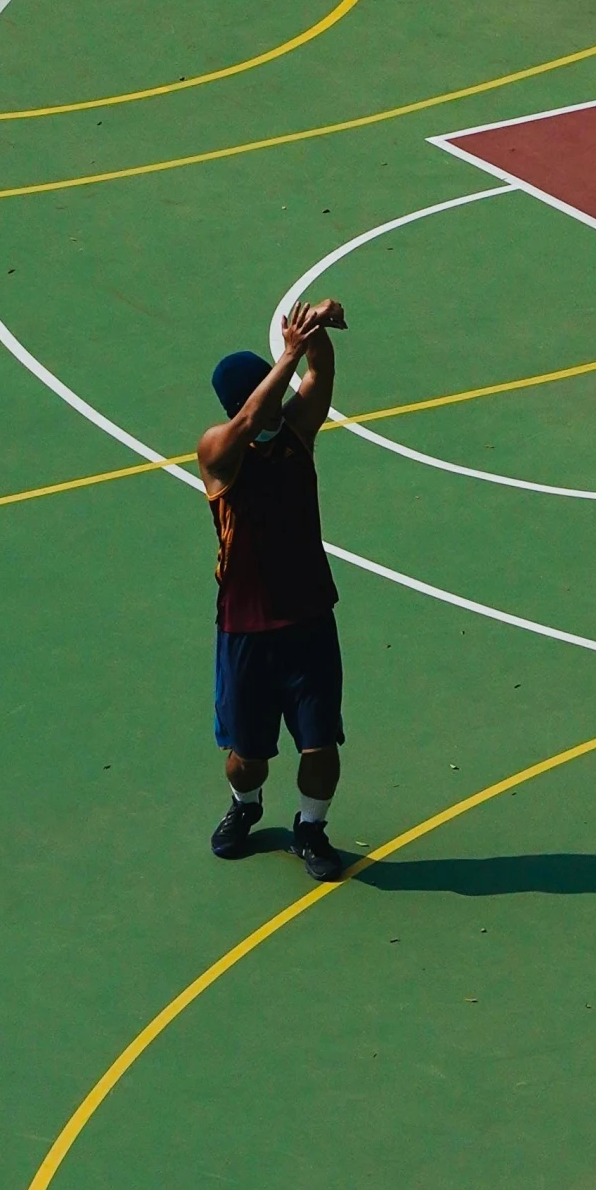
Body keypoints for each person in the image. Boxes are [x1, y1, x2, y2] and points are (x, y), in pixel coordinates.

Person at [197, 297, 348, 880]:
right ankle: (246, 805)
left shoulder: (296, 433)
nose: (280, 399)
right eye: (266, 387)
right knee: (246, 761)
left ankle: (312, 825)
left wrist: (314, 334)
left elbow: (320, 376)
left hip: (309, 619)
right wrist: (287, 354)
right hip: (246, 630)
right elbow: (245, 423)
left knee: (320, 747)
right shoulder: (218, 453)